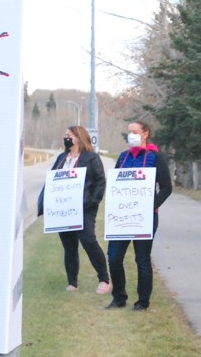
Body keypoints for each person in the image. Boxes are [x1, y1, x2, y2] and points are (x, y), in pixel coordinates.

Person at [106, 121, 173, 311]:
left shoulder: (155, 157)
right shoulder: (123, 157)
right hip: (122, 216)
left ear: (145, 134)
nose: (131, 135)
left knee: (142, 259)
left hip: (145, 217)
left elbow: (167, 187)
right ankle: (119, 297)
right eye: (129, 132)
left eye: (135, 132)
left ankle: (143, 301)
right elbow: (117, 184)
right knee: (113, 256)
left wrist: (152, 206)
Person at [48, 126, 111, 295]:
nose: (65, 138)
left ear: (78, 138)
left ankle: (104, 279)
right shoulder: (62, 158)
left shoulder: (91, 158)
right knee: (69, 246)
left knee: (89, 242)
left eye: (68, 135)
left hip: (84, 208)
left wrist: (92, 201)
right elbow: (53, 178)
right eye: (65, 135)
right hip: (64, 209)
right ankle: (72, 282)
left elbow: (100, 182)